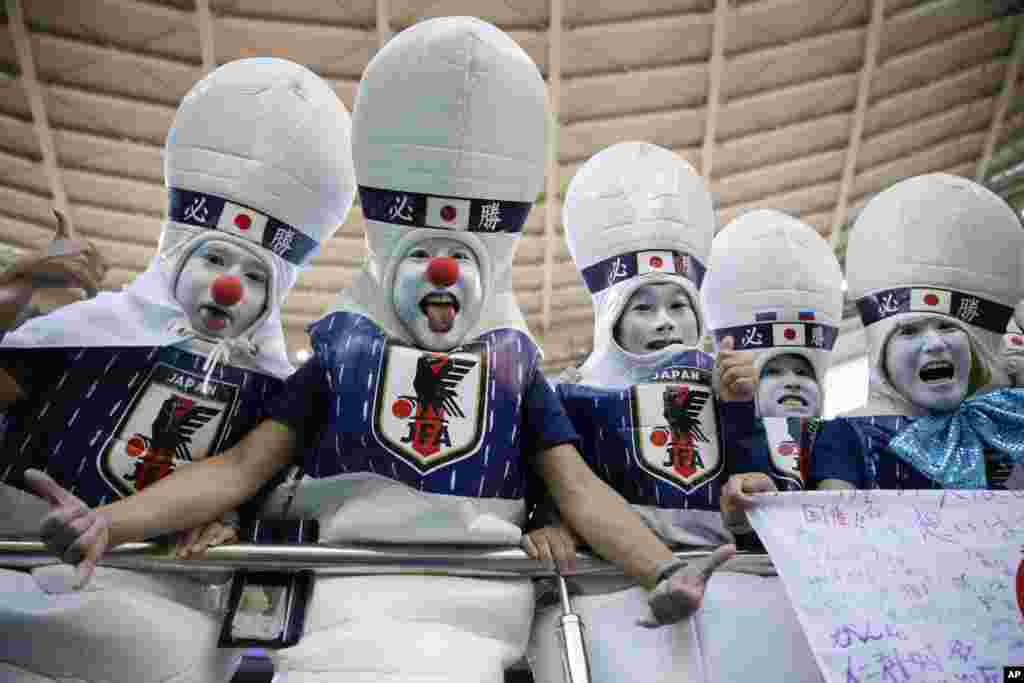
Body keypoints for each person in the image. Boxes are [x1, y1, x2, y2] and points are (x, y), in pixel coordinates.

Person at [25, 19, 730, 683]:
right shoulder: (335, 355)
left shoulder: (517, 368)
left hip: (475, 610)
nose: (443, 271)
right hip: (337, 601)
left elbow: (578, 487)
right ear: (390, 263)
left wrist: (661, 567)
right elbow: (239, 467)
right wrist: (106, 522)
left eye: (459, 254)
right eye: (423, 252)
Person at [0, 57, 356, 683]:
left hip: (156, 606)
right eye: (216, 256)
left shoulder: (277, 386)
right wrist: (11, 295)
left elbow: (259, 480)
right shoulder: (81, 331)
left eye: (254, 275)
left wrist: (232, 520)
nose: (229, 284)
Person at [525, 141, 749, 683]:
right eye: (643, 307)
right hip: (612, 590)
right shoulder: (572, 395)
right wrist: (549, 525)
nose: (665, 322)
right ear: (612, 318)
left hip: (733, 586)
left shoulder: (729, 392)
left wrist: (742, 413)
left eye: (677, 305)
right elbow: (560, 482)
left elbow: (756, 480)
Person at [698, 209, 846, 683]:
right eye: (774, 371)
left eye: (802, 370)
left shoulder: (836, 436)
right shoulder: (718, 430)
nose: (790, 382)